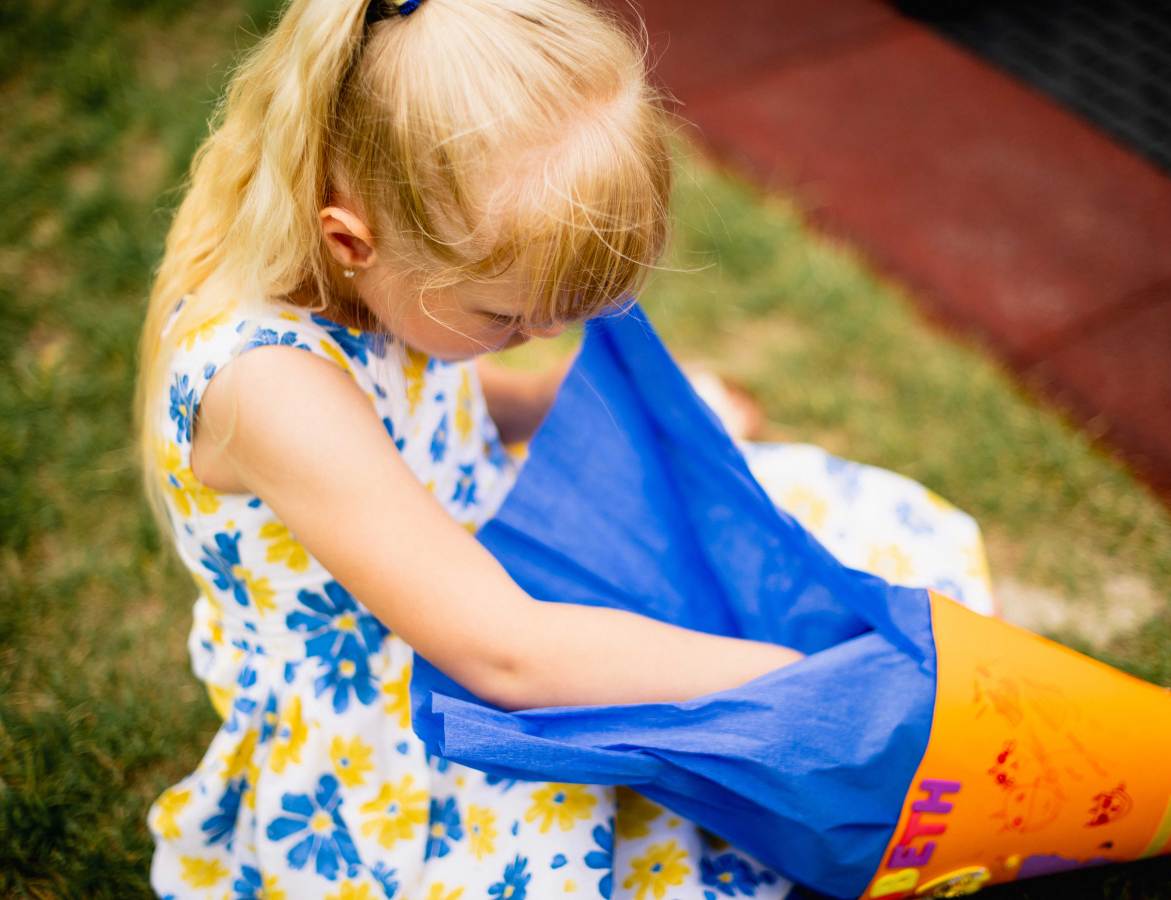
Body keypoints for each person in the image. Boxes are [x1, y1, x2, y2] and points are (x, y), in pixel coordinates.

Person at [138, 0, 992, 896]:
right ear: (352, 239)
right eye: (506, 320)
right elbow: (507, 654)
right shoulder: (271, 386)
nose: (536, 336)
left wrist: (538, 400)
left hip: (495, 581)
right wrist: (791, 684)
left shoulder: (387, 285)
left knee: (830, 558)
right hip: (413, 708)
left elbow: (426, 411)